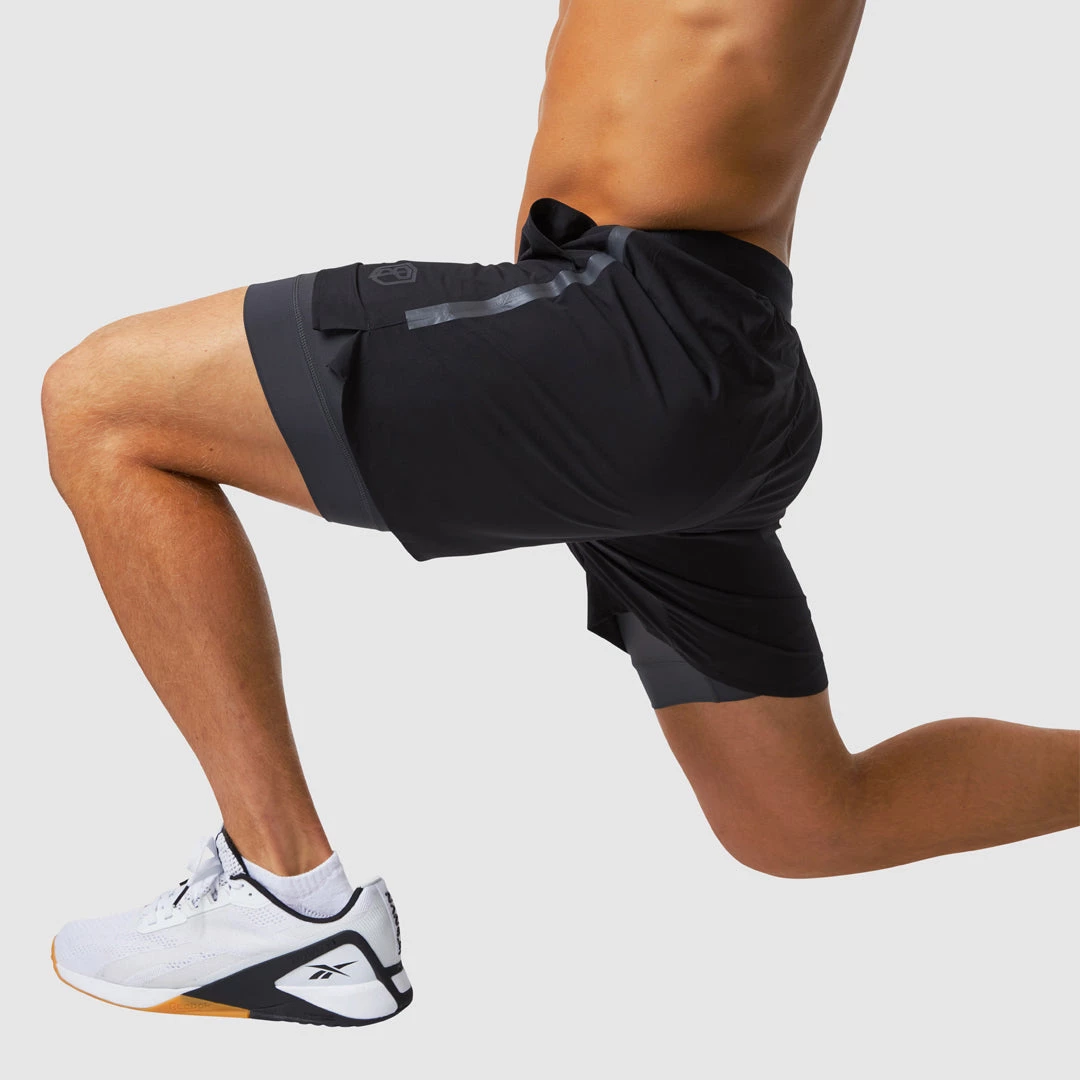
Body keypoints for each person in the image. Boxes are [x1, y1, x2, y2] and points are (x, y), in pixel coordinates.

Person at [40, 0, 1078, 1027]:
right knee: (802, 821)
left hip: (628, 327)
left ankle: (286, 893)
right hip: (706, 348)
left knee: (104, 404)